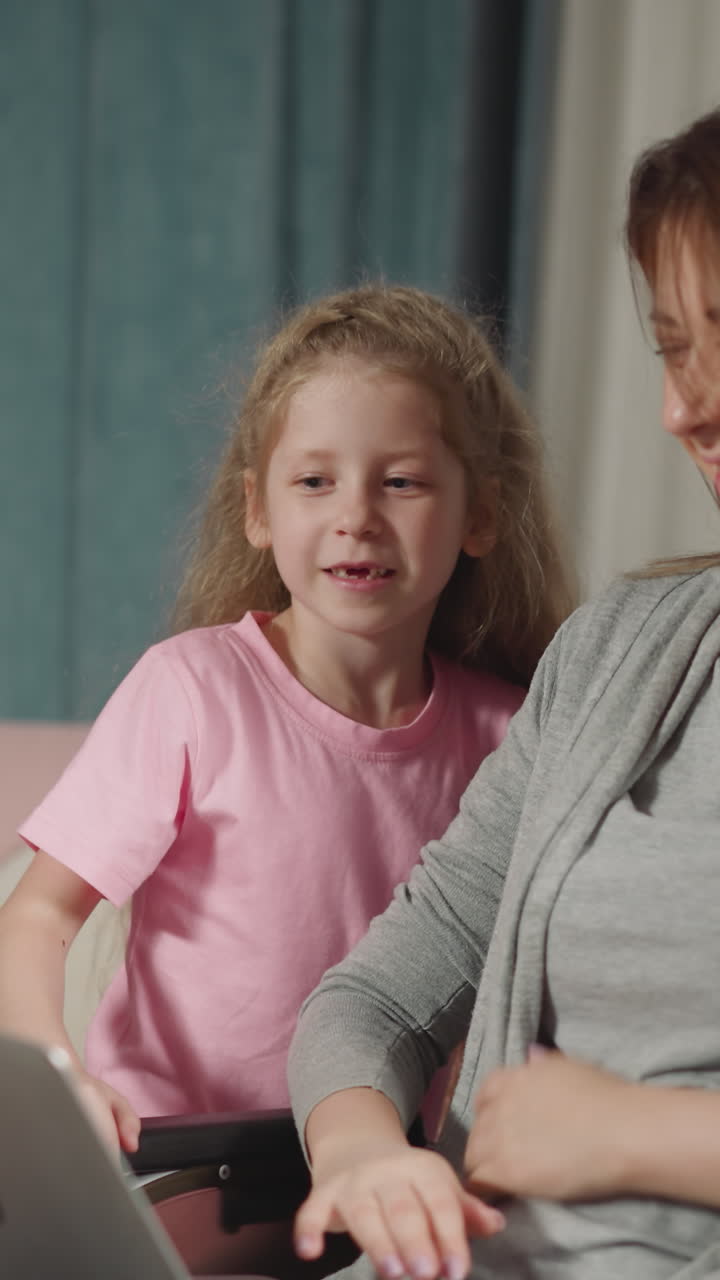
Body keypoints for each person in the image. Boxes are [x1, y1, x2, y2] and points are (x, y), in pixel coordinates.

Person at [288, 110, 720, 1280]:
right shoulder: (612, 653)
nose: (687, 407)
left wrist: (642, 1136)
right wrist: (362, 1150)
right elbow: (377, 990)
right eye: (674, 346)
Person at [0, 284, 572, 1154]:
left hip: (389, 1179)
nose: (356, 517)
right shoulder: (191, 690)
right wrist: (58, 1074)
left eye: (403, 482)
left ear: (481, 514)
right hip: (175, 1167)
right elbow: (37, 917)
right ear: (258, 510)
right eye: (315, 480)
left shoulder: (514, 734)